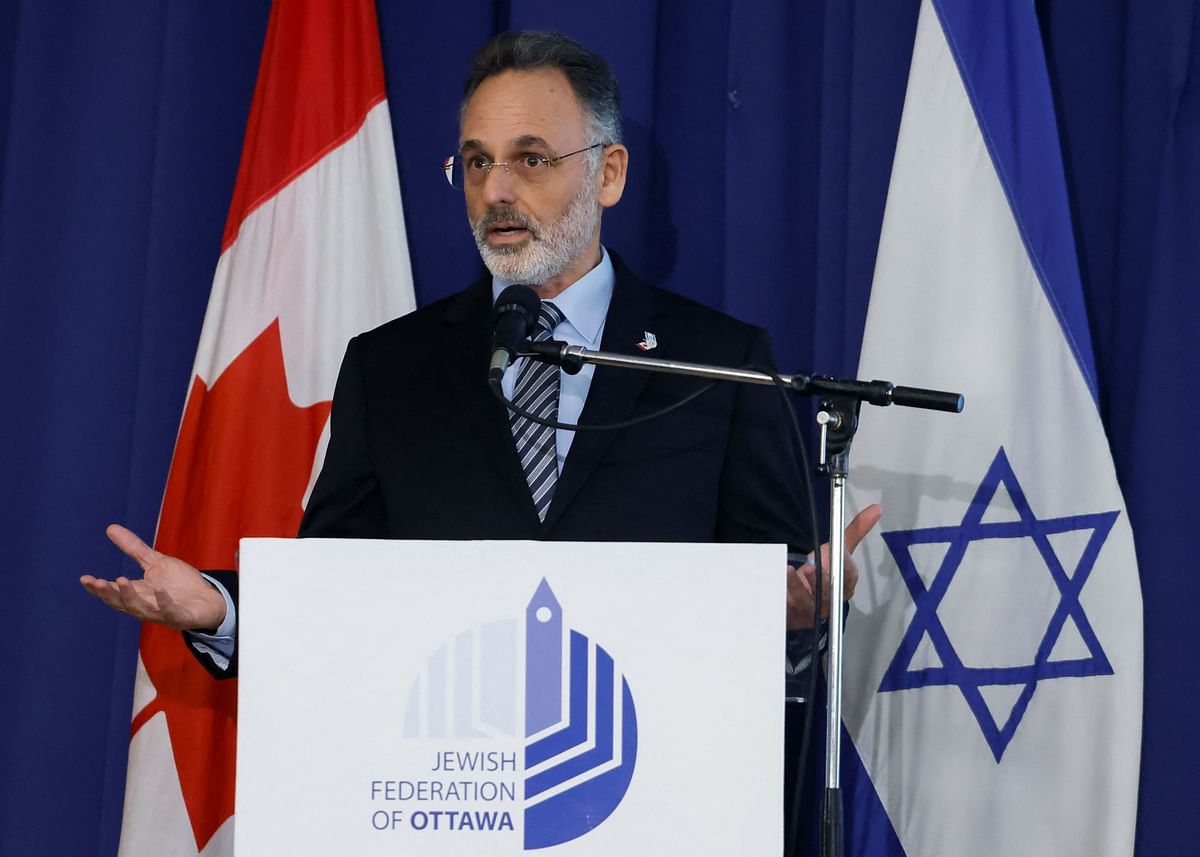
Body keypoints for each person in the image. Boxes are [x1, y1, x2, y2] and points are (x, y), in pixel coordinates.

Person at [81, 25, 879, 809]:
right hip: (452, 798)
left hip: (659, 797)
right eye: (476, 162)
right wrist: (222, 608)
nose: (496, 190)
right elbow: (338, 585)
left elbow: (784, 605)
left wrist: (806, 614)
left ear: (609, 173)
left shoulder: (719, 362)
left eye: (530, 159)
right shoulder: (393, 368)